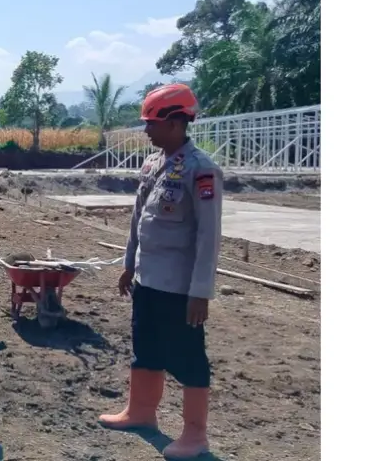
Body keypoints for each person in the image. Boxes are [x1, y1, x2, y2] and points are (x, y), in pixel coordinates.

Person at [98, 84, 222, 460]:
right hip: (147, 280)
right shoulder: (153, 164)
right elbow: (139, 220)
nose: (146, 131)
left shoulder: (201, 171)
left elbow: (208, 236)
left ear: (174, 122)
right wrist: (128, 264)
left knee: (187, 358)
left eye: (151, 123)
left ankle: (195, 436)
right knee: (145, 348)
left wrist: (201, 291)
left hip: (179, 287)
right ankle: (141, 413)